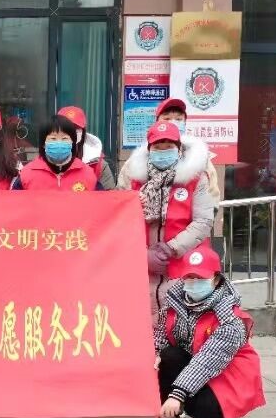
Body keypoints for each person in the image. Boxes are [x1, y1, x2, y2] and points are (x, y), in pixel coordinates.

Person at [144, 244, 265, 418]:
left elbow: (208, 360)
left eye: (200, 278)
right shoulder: (174, 301)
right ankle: (171, 417)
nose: (193, 282)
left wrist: (177, 394)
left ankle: (231, 416)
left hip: (226, 373)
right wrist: (156, 353)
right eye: (189, 277)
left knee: (205, 408)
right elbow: (162, 333)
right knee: (167, 356)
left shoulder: (229, 318)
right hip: (191, 361)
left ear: (216, 279)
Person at [119, 121, 214, 319]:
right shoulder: (134, 181)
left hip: (182, 263)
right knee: (143, 321)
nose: (163, 152)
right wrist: (143, 255)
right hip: (142, 266)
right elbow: (121, 223)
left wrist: (171, 248)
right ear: (149, 150)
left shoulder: (195, 179)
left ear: (179, 149)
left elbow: (203, 221)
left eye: (168, 146)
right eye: (157, 147)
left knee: (177, 321)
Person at [118, 98, 220, 207]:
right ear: (157, 122)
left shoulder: (199, 159)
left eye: (178, 119)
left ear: (185, 123)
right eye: (167, 118)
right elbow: (122, 196)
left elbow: (211, 197)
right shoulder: (137, 161)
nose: (173, 123)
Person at [12, 115, 99, 191]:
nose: (59, 143)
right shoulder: (27, 174)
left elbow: (101, 201)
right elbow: (14, 202)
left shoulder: (87, 174)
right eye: (53, 139)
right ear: (43, 144)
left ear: (72, 143)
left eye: (64, 138)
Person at [57, 105, 115, 190]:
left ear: (82, 131)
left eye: (75, 128)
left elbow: (111, 196)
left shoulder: (98, 165)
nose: (70, 132)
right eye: (65, 128)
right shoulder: (43, 164)